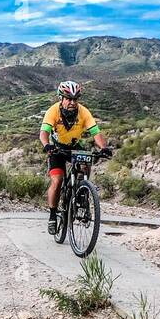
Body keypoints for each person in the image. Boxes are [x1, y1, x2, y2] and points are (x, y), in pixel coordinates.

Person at [39, 79, 111, 234]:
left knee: (86, 163)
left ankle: (82, 194)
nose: (72, 102)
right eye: (69, 98)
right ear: (61, 98)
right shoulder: (53, 111)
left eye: (75, 99)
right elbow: (43, 133)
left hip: (73, 147)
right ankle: (53, 215)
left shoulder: (84, 112)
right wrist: (47, 145)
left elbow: (95, 133)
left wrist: (104, 148)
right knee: (57, 180)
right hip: (57, 149)